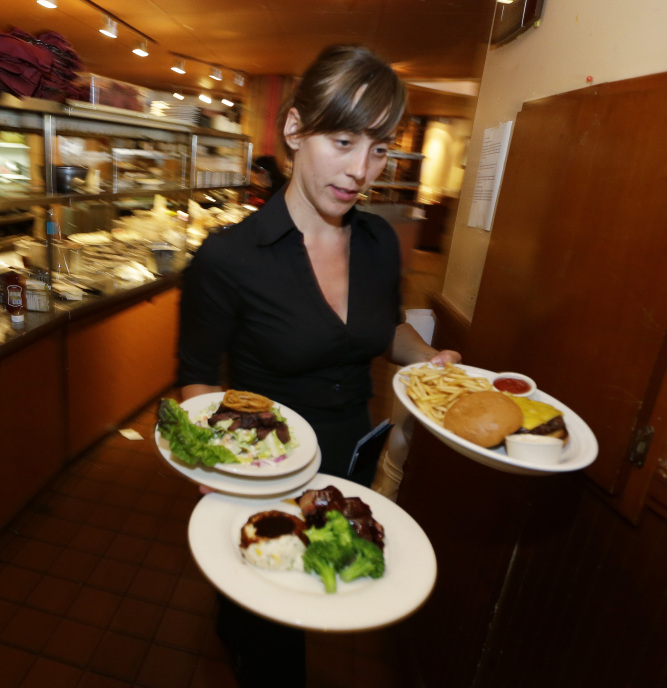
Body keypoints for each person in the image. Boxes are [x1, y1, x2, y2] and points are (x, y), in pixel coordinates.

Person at [175, 44, 460, 687]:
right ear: (296, 130)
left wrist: (431, 358)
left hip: (350, 461)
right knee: (277, 649)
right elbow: (197, 375)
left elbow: (384, 331)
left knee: (326, 590)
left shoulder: (380, 241)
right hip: (265, 469)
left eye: (380, 147)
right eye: (344, 140)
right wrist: (218, 464)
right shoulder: (228, 259)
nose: (363, 170)